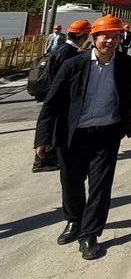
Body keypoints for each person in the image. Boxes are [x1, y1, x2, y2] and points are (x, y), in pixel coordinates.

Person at [33, 15, 131, 260]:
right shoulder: (74, 65)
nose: (110, 41)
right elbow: (52, 103)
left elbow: (128, 96)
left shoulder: (125, 63)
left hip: (107, 134)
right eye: (105, 36)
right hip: (73, 135)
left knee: (101, 186)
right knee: (71, 182)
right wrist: (42, 138)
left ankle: (90, 234)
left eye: (115, 36)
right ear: (94, 37)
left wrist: (125, 125)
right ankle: (74, 220)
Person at [32, 19, 92, 172]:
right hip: (60, 95)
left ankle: (48, 157)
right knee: (54, 127)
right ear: (83, 36)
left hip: (57, 93)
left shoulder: (65, 48)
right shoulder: (68, 51)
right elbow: (65, 76)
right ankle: (43, 160)